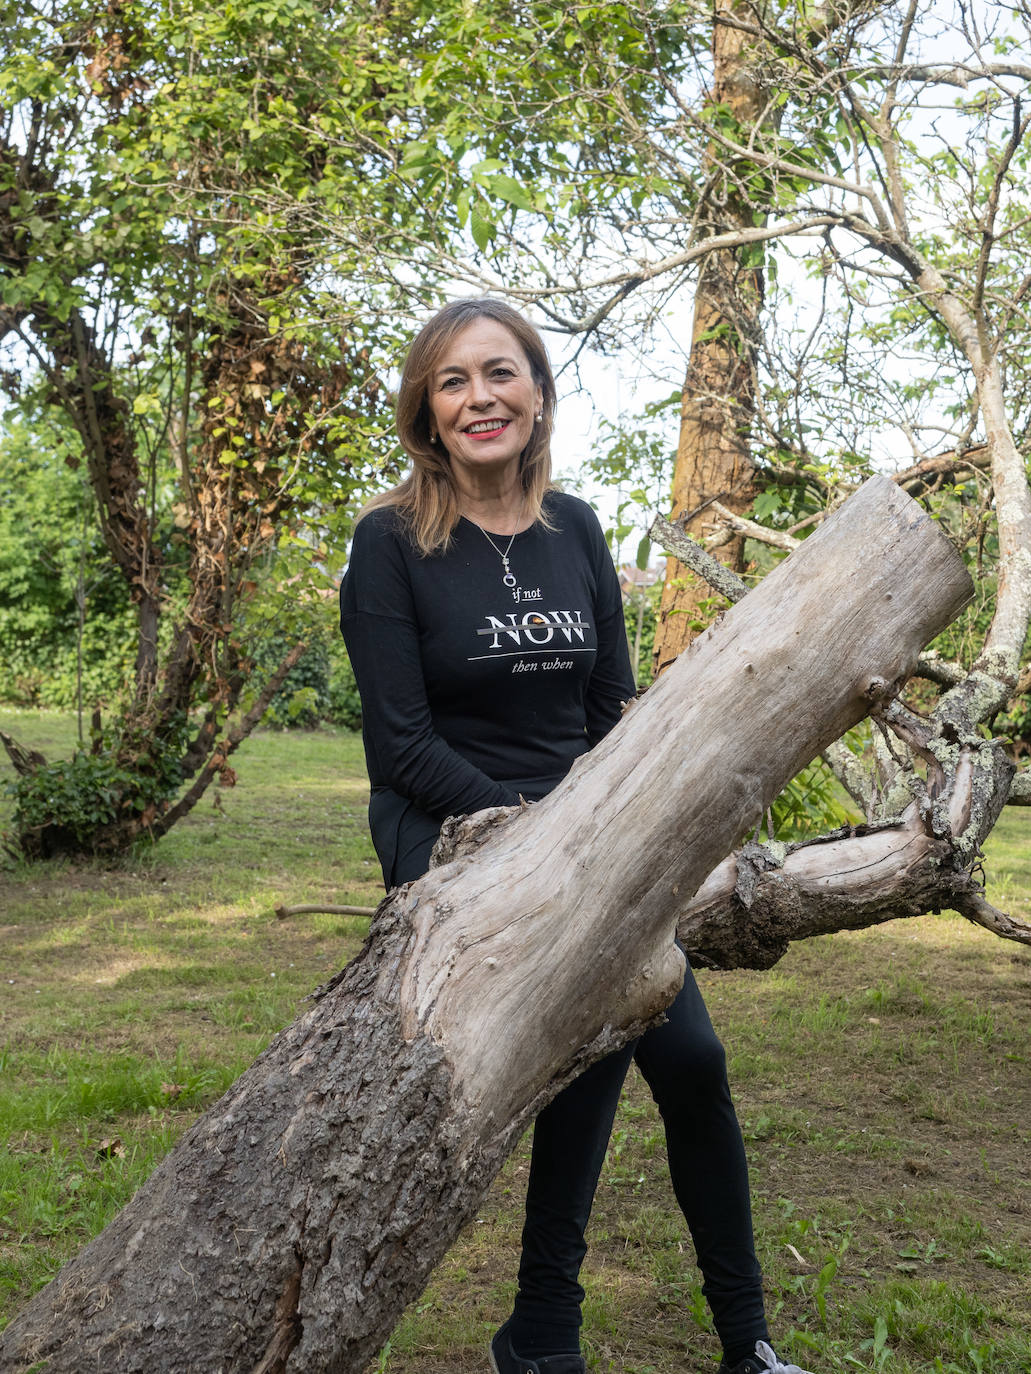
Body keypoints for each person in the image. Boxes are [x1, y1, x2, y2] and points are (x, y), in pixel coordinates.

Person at [339, 297, 813, 1374]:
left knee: (687, 1055)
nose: (478, 398)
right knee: (599, 1030)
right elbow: (398, 746)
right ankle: (546, 1323)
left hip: (585, 824)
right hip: (451, 829)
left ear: (538, 393)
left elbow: (610, 709)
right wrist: (546, 841)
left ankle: (743, 1340)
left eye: (498, 374)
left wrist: (627, 822)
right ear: (425, 409)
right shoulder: (389, 544)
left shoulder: (578, 529)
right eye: (451, 381)